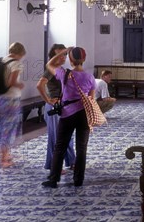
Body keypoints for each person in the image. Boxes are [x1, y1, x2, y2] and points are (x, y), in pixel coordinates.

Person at [42, 46, 95, 188]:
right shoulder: (90, 77)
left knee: (60, 147)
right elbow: (91, 99)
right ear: (84, 59)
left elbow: (49, 65)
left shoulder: (64, 73)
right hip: (83, 115)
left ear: (70, 60)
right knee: (82, 148)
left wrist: (63, 52)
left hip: (67, 114)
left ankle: (53, 180)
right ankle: (78, 180)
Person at [35, 43, 75, 173]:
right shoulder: (50, 70)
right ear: (53, 56)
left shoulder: (61, 69)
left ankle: (72, 162)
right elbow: (39, 85)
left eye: (64, 54)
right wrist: (47, 100)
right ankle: (54, 166)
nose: (63, 57)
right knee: (56, 137)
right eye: (59, 54)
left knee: (67, 135)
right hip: (54, 106)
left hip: (63, 106)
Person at [0, 42, 26, 168]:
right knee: (9, 127)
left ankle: (4, 153)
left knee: (0, 125)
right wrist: (20, 85)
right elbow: (12, 82)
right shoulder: (16, 63)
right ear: (20, 53)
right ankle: (4, 158)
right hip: (10, 100)